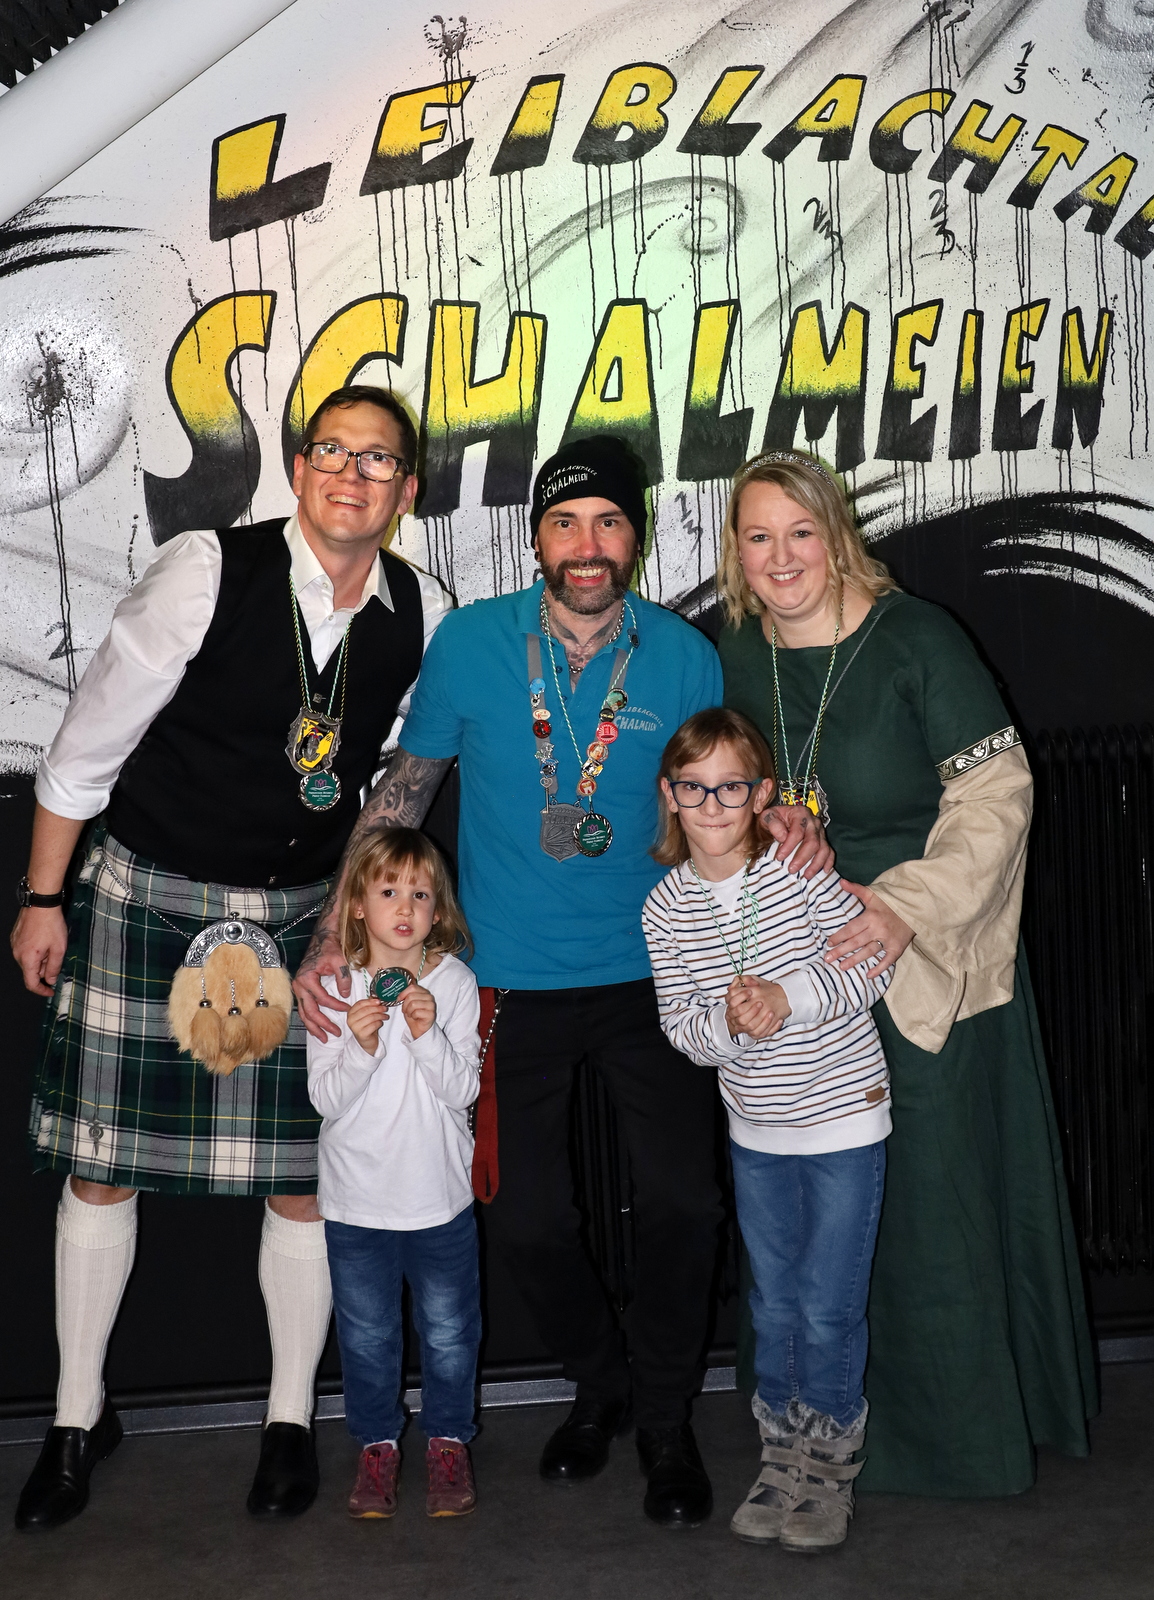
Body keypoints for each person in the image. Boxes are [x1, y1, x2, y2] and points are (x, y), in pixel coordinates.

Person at [295, 434, 830, 1530]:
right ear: (536, 536)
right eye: (565, 522)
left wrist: (782, 819)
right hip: (504, 982)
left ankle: (667, 1420)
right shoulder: (472, 642)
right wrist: (333, 933)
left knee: (683, 1203)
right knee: (524, 1216)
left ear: (635, 535)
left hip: (657, 973)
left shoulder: (682, 653)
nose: (587, 545)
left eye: (608, 522)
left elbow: (723, 779)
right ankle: (601, 1382)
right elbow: (406, 788)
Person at [9, 385, 449, 1530]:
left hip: (305, 911)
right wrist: (43, 896)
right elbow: (85, 746)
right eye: (331, 451)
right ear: (298, 467)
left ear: (407, 489)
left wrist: (349, 927)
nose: (351, 475)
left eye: (379, 460)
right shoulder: (206, 571)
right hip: (154, 893)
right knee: (102, 1164)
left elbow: (395, 791)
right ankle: (75, 1417)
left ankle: (288, 1419)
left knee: (305, 1177)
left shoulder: (422, 609)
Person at [715, 448, 1096, 1497]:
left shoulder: (918, 637)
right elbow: (714, 789)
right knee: (805, 1206)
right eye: (758, 537)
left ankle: (955, 1438)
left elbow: (998, 798)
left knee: (929, 1199)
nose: (781, 557)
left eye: (800, 532)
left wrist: (899, 907)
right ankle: (813, 1421)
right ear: (735, 552)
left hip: (919, 962)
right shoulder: (734, 655)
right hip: (798, 973)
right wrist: (760, 825)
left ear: (836, 533)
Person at [642, 707, 892, 1551]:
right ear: (670, 796)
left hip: (843, 1122)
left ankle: (829, 1465)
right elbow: (683, 1028)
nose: (712, 805)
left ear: (761, 795)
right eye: (694, 788)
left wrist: (790, 999)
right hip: (757, 1133)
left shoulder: (797, 870)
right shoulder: (665, 909)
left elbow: (869, 964)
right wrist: (731, 1023)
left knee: (827, 1307)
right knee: (776, 1301)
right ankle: (782, 1454)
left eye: (731, 788)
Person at [307, 828, 481, 1521]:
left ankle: (448, 1442)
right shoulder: (333, 985)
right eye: (388, 891)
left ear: (439, 911)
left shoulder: (454, 983)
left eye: (420, 894)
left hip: (439, 1200)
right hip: (356, 1204)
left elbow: (463, 1090)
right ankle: (376, 1445)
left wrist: (425, 1033)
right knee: (367, 1337)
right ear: (356, 904)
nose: (404, 908)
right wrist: (362, 1044)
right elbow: (325, 1100)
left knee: (450, 1333)